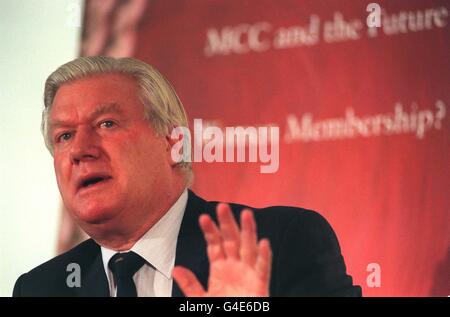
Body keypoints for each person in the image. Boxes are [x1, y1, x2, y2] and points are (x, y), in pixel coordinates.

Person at [13, 56, 361, 297]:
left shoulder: (279, 244)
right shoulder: (42, 287)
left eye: (107, 124)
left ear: (171, 141)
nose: (79, 150)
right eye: (64, 136)